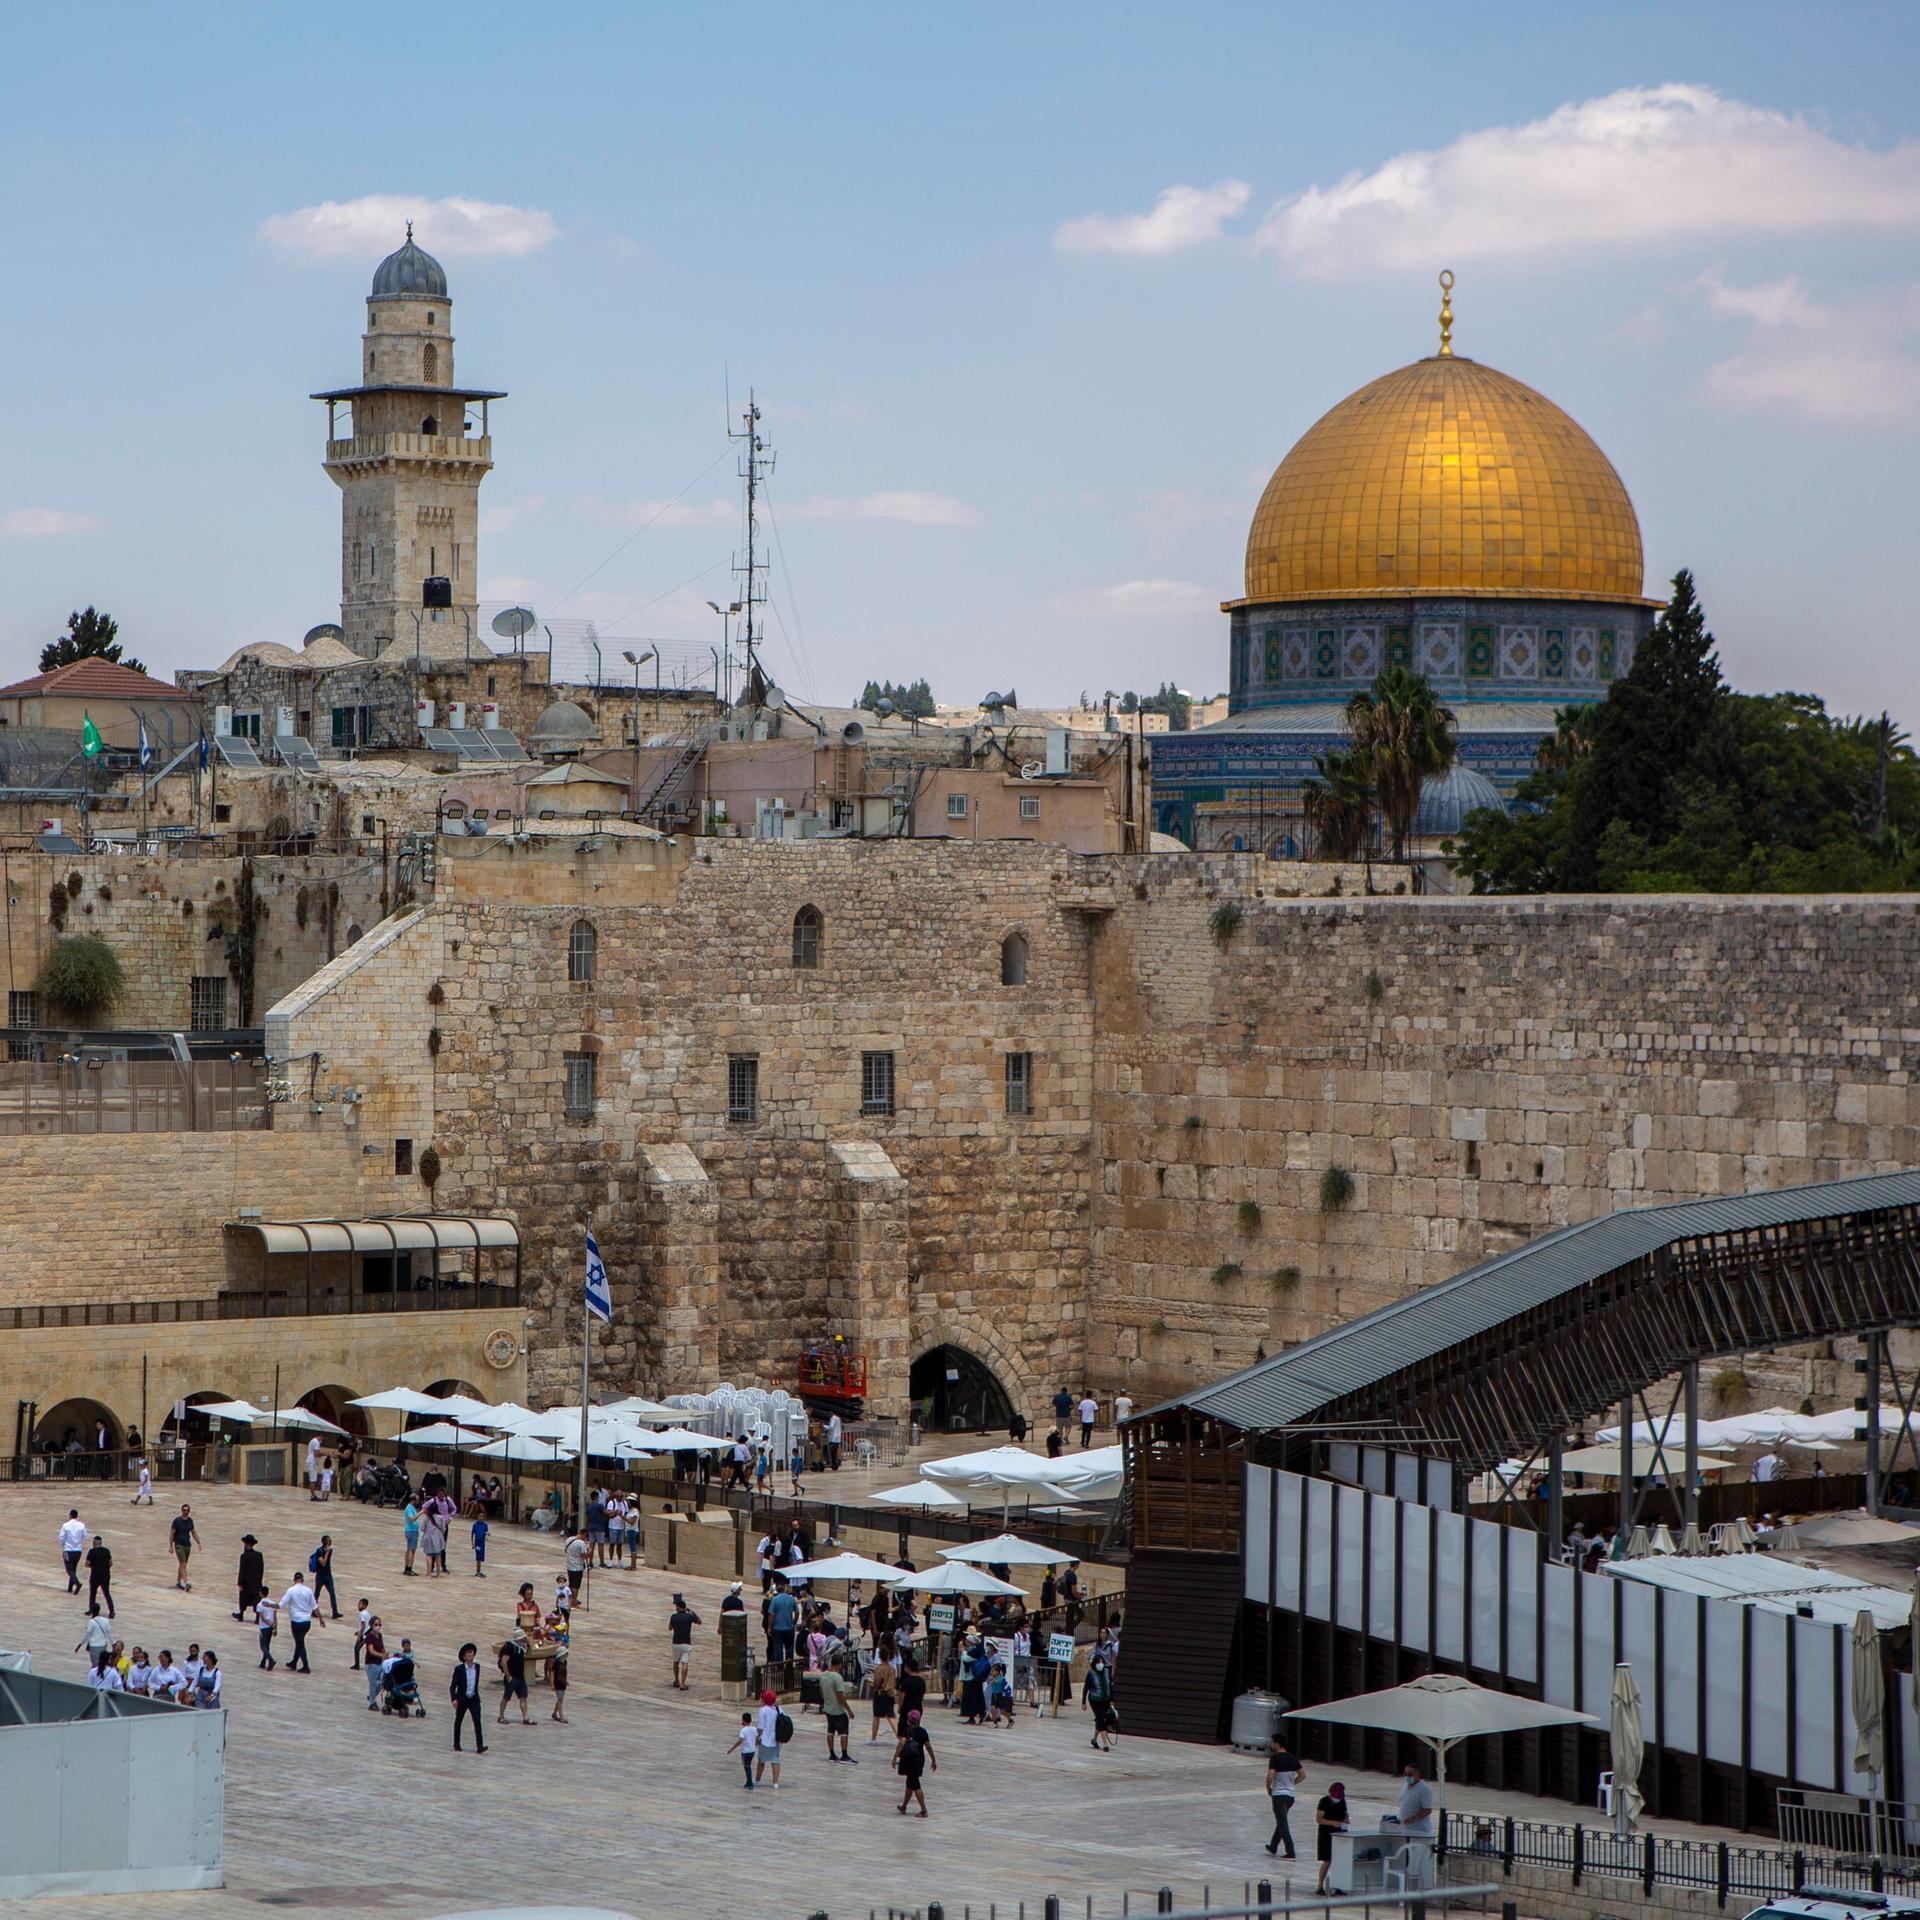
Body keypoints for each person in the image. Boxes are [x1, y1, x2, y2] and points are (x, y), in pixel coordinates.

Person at [1264, 1737, 1305, 1857]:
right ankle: (1273, 1846)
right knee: (1281, 1821)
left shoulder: (1275, 1758)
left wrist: (1268, 1788)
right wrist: (1292, 1784)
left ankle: (1290, 1852)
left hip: (1279, 1795)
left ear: (1277, 1744)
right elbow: (1302, 1775)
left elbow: (1270, 1776)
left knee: (1282, 1824)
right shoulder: (1293, 1758)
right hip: (1290, 1796)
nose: (1272, 1745)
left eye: (1273, 1742)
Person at [279, 1570, 324, 1672]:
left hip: (296, 1621)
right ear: (302, 1580)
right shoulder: (308, 1591)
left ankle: (306, 1666)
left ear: (294, 1580)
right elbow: (315, 1606)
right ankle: (294, 1662)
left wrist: (270, 1605)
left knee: (300, 1643)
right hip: (306, 1621)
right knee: (299, 1641)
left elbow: (281, 1605)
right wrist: (321, 1619)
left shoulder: (291, 1590)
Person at [894, 1707, 935, 1816]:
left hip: (908, 1760)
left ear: (908, 1720)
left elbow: (902, 1744)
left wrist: (895, 1758)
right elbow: (928, 1746)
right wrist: (933, 1760)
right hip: (919, 1760)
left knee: (915, 1785)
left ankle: (923, 1810)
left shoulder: (906, 1731)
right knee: (910, 1783)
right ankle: (904, 1806)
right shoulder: (922, 1731)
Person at [818, 1653, 857, 1762]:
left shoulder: (823, 1675)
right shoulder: (837, 1677)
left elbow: (821, 1691)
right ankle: (844, 1755)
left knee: (830, 1731)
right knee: (843, 1732)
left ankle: (832, 1754)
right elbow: (840, 1695)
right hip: (837, 1710)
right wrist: (848, 1709)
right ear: (839, 1664)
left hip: (828, 1707)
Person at [450, 1642, 487, 1752]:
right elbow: (452, 1686)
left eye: (472, 1652)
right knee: (458, 1721)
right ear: (464, 1657)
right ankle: (456, 1743)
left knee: (477, 1721)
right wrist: (454, 1698)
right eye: (468, 1653)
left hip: (474, 1699)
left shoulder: (477, 1667)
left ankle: (480, 1746)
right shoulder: (459, 1669)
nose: (470, 1654)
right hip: (462, 1699)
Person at [1315, 1782, 1350, 1892]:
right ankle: (1320, 1885)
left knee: (1339, 1860)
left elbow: (1345, 1813)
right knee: (1327, 1860)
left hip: (1340, 1832)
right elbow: (1319, 1819)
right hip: (1326, 1833)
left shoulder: (1342, 1801)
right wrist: (1332, 1823)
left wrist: (1346, 1820)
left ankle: (1339, 1884)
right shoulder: (1324, 1801)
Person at [497, 1632, 534, 1726]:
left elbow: (529, 1654)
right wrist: (508, 1676)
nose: (523, 1639)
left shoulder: (521, 1647)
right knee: (506, 1697)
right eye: (522, 1638)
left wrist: (528, 1644)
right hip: (512, 1677)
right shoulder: (510, 1647)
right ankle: (501, 1716)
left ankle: (525, 1717)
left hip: (520, 1677)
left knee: (523, 1697)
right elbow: (503, 1662)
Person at [1084, 1650, 1117, 1750]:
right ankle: (1105, 1744)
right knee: (1101, 1719)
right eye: (1098, 1662)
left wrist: (1112, 1700)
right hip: (1095, 1700)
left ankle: (1094, 1740)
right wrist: (1083, 1702)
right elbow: (1086, 1687)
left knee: (1101, 1720)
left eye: (1101, 1662)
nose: (1100, 1664)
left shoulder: (1107, 1672)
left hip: (1105, 1700)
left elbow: (1110, 1687)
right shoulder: (1091, 1673)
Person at [667, 1593, 701, 1690]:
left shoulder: (673, 1616)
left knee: (675, 1662)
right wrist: (692, 1612)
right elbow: (699, 1621)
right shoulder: (689, 1617)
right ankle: (683, 1683)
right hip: (686, 1643)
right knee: (684, 1663)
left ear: (678, 1607)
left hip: (676, 1643)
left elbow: (669, 1628)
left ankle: (676, 1681)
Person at [766, 1580, 800, 1669]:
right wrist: (794, 1622)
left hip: (777, 1628)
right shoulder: (791, 1599)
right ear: (785, 1588)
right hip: (789, 1628)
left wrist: (769, 1627)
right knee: (789, 1649)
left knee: (778, 1649)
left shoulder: (775, 1599)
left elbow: (771, 1614)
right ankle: (789, 1668)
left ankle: (779, 1668)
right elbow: (797, 1612)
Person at [754, 1688, 783, 1788]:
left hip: (765, 1739)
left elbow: (761, 1727)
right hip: (776, 1740)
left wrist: (757, 1738)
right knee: (775, 1761)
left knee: (761, 1760)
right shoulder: (779, 1710)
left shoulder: (763, 1710)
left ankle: (757, 1780)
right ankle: (775, 1782)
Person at [1395, 1763, 1435, 1833]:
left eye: (1410, 1774)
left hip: (1419, 1830)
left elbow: (1427, 1810)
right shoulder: (1406, 1786)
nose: (1407, 1777)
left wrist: (1412, 1819)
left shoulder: (1424, 1789)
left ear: (1417, 1773)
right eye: (1405, 1774)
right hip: (1404, 1829)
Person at [234, 1533, 265, 1621]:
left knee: (243, 1598)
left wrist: (240, 1583)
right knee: (256, 1599)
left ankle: (241, 1614)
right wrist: (260, 1580)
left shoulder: (244, 1556)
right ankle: (257, 1617)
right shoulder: (259, 1555)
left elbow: (242, 1571)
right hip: (256, 1582)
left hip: (247, 1583)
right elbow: (261, 1569)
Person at [869, 1652, 899, 1743]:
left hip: (880, 1694)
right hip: (890, 1694)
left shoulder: (878, 1669)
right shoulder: (892, 1669)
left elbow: (877, 1682)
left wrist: (873, 1685)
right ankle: (899, 1736)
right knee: (891, 1716)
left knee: (876, 1716)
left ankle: (873, 1739)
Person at [169, 1503, 200, 1590]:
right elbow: (172, 1533)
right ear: (181, 1510)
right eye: (184, 1510)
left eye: (187, 1510)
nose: (186, 1512)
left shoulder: (190, 1520)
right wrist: (170, 1546)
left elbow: (193, 1532)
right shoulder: (177, 1521)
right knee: (183, 1563)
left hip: (187, 1545)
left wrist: (198, 1542)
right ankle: (187, 1582)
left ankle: (178, 1582)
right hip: (179, 1545)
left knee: (183, 1564)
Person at [84, 1533, 115, 1618]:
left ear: (94, 1542)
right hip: (105, 1575)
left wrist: (93, 1566)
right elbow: (111, 1563)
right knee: (106, 1593)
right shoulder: (106, 1551)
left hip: (95, 1575)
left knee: (93, 1593)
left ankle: (91, 1609)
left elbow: (87, 1564)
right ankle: (112, 1611)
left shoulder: (92, 1551)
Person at [361, 1618, 389, 1708]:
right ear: (371, 1625)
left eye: (379, 1625)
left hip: (379, 1663)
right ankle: (372, 1703)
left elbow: (382, 1647)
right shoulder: (369, 1637)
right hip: (371, 1664)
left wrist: (385, 1655)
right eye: (376, 1625)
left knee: (383, 1681)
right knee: (372, 1684)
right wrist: (381, 1655)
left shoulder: (380, 1636)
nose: (378, 1627)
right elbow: (371, 1651)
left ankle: (371, 1696)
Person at [311, 1534, 341, 1618]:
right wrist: (326, 1553)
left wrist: (328, 1552)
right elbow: (323, 1563)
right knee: (317, 1593)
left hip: (328, 1575)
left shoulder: (330, 1550)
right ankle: (314, 1611)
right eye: (329, 1540)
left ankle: (335, 1612)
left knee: (332, 1592)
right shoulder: (319, 1551)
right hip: (320, 1575)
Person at [728, 1710, 758, 1788]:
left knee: (746, 1766)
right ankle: (748, 1782)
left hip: (745, 1751)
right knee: (748, 1765)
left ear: (743, 1721)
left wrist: (732, 1749)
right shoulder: (754, 1729)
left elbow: (740, 1740)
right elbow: (756, 1737)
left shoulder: (743, 1730)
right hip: (752, 1750)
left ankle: (750, 1783)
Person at [59, 1508, 86, 1593]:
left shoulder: (65, 1525)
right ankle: (70, 1587)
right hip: (78, 1550)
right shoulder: (81, 1525)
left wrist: (64, 1544)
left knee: (69, 1569)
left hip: (68, 1550)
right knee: (73, 1569)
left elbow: (61, 1538)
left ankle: (77, 1583)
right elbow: (84, 1536)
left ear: (70, 1515)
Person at [564, 1526, 590, 1613]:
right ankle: (573, 1602)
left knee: (571, 1584)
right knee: (575, 1586)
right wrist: (589, 1552)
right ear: (584, 1535)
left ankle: (570, 1600)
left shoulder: (569, 1539)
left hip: (569, 1565)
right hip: (577, 1567)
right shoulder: (581, 1543)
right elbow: (583, 1555)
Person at [420, 1500, 447, 1578]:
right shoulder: (441, 1517)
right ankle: (438, 1573)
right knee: (438, 1555)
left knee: (428, 1555)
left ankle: (428, 1573)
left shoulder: (426, 1517)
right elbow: (443, 1529)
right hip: (438, 1538)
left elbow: (422, 1528)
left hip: (427, 1537)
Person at [254, 1587, 279, 1668]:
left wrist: (269, 1623)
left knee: (263, 1646)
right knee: (267, 1645)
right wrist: (275, 1627)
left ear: (261, 1593)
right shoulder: (272, 1603)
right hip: (271, 1627)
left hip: (264, 1627)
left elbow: (262, 1618)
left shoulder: (260, 1605)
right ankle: (263, 1662)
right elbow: (275, 1616)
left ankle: (270, 1659)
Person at [549, 1625, 570, 1723]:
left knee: (560, 1699)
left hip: (562, 1682)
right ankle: (561, 1716)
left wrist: (566, 1681)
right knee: (560, 1699)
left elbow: (565, 1672)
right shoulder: (556, 1663)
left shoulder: (564, 1662)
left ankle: (554, 1713)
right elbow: (552, 1673)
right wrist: (552, 1683)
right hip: (557, 1682)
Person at [401, 1498, 421, 1575]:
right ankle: (409, 1568)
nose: (418, 1501)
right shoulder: (409, 1508)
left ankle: (407, 1568)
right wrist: (420, 1513)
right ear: (413, 1500)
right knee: (411, 1550)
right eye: (417, 1500)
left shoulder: (412, 1507)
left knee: (410, 1549)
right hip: (411, 1531)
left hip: (412, 1531)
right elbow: (412, 1519)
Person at [352, 1597, 373, 1668]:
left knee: (357, 1648)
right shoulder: (367, 1613)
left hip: (365, 1635)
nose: (358, 1605)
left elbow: (363, 1625)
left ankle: (357, 1664)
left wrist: (359, 1635)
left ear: (364, 1606)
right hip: (368, 1633)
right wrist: (358, 1631)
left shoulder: (362, 1614)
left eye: (360, 1604)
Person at [471, 1510, 489, 1577]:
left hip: (482, 1543)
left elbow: (486, 1533)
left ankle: (479, 1570)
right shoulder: (475, 1525)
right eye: (480, 1516)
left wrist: (487, 1535)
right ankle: (478, 1571)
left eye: (482, 1516)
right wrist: (472, 1544)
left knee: (481, 1556)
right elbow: (472, 1534)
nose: (481, 1518)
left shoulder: (485, 1525)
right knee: (478, 1556)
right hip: (477, 1543)